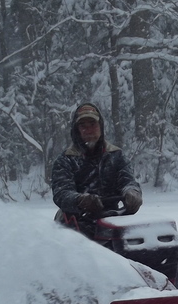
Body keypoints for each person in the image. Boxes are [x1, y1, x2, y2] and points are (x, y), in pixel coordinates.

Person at [51, 102, 143, 238]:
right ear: (76, 130)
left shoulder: (116, 155)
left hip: (112, 220)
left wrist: (132, 192)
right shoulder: (66, 159)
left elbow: (127, 181)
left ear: (101, 126)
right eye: (83, 126)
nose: (89, 130)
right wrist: (81, 200)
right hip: (74, 224)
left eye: (93, 124)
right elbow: (62, 193)